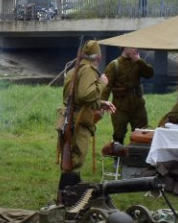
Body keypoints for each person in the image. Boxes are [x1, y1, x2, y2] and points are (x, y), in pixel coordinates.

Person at [59, 40, 115, 190]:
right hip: (79, 121)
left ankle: (70, 194)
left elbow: (78, 97)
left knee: (73, 158)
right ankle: (67, 197)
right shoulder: (88, 70)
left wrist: (100, 103)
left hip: (71, 117)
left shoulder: (74, 70)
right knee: (75, 160)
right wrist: (102, 83)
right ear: (98, 58)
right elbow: (85, 94)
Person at [101, 47, 153, 145]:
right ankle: (118, 158)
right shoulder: (114, 65)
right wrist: (101, 103)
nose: (135, 48)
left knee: (142, 133)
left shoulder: (137, 62)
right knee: (119, 134)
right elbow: (106, 87)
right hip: (120, 106)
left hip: (138, 105)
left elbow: (149, 74)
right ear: (124, 48)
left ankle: (137, 157)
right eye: (132, 47)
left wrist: (139, 61)